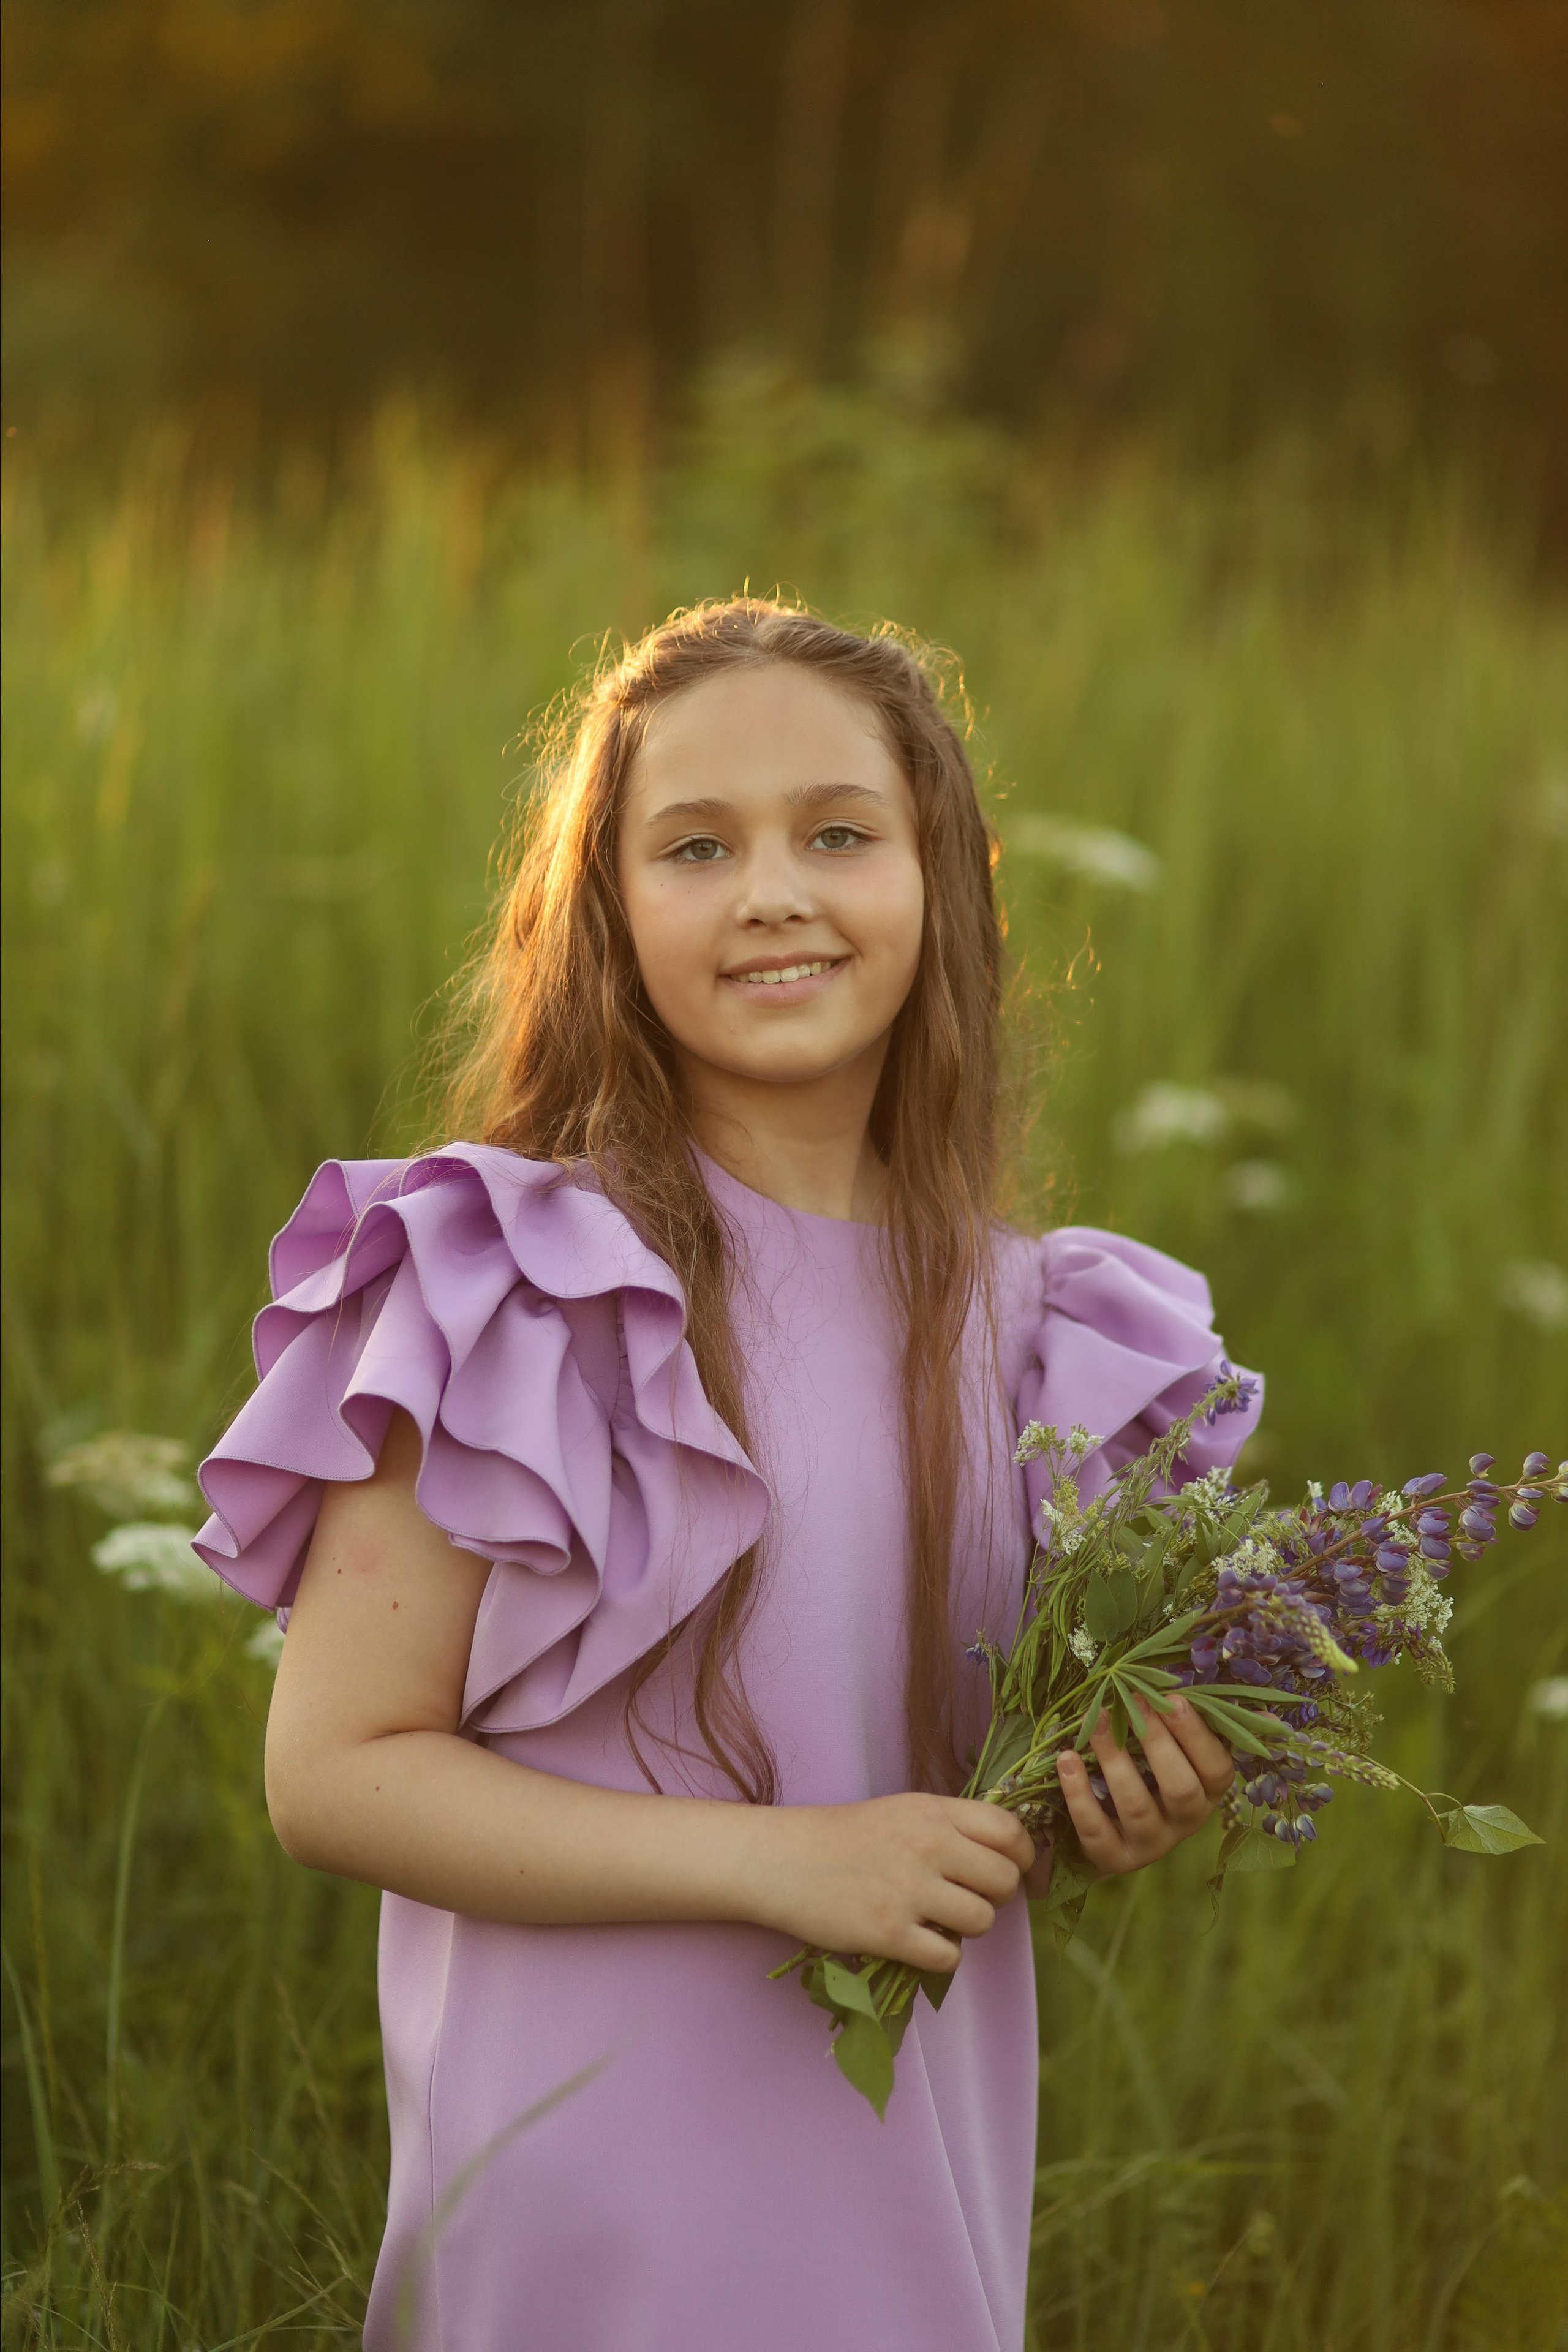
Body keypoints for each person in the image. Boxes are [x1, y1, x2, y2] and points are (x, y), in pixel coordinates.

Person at [194, 600, 1260, 2351]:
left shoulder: (1046, 1339)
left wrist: (1111, 1806)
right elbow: (334, 1773)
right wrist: (779, 1863)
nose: (773, 891)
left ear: (944, 880)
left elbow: (944, 1793)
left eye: (838, 834)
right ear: (606, 910)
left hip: (907, 2194)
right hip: (586, 2203)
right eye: (696, 846)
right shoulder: (515, 1282)